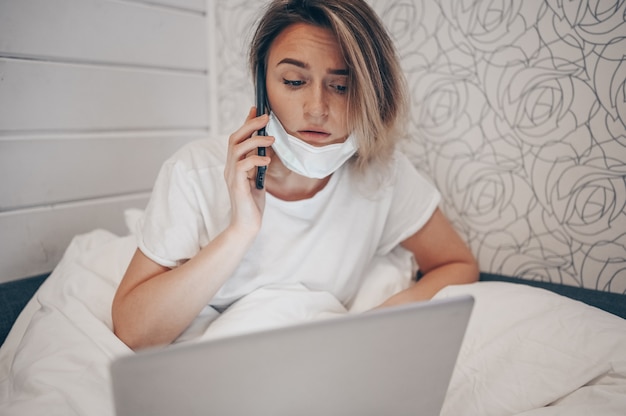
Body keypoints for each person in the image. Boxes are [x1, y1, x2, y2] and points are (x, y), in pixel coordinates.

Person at [112, 0, 479, 350]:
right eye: (293, 81)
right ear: (262, 86)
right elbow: (133, 331)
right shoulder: (194, 172)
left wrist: (379, 323)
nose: (317, 108)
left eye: (341, 86)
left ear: (369, 93)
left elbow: (457, 265)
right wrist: (241, 231)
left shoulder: (383, 174)